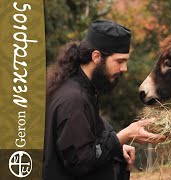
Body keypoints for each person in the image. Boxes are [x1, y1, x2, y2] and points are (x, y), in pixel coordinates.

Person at [43, 19, 164, 180]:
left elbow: (89, 145)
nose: (124, 68)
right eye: (120, 61)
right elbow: (80, 162)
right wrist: (124, 135)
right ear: (96, 57)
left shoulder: (79, 89)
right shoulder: (73, 99)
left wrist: (116, 149)